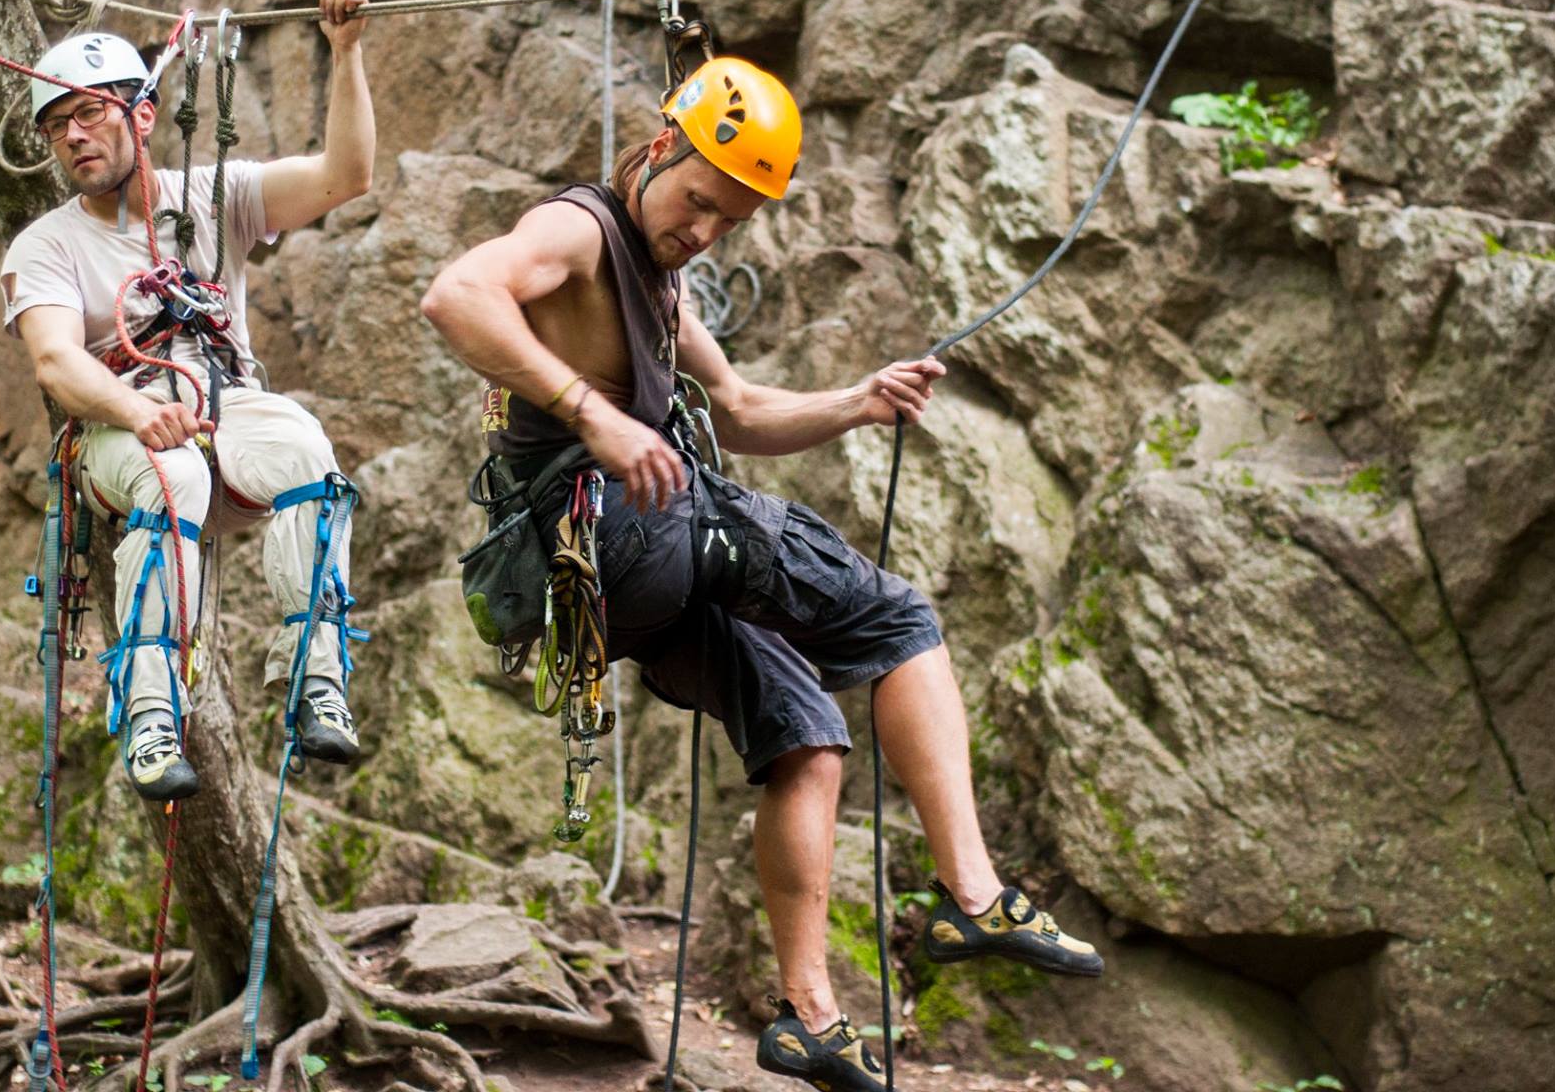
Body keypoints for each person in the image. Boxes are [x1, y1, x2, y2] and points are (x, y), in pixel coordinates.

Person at [420, 55, 1101, 1091]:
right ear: (657, 150)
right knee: (895, 618)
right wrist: (592, 410)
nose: (701, 230)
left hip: (625, 578)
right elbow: (454, 293)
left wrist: (856, 400)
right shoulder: (577, 229)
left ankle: (806, 1016)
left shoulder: (663, 280)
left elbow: (735, 408)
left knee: (807, 737)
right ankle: (971, 894)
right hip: (613, 531)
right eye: (697, 200)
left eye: (726, 221)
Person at [0, 0, 375, 801]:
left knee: (305, 445)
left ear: (141, 114)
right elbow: (58, 364)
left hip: (222, 401)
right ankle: (151, 717)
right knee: (177, 477)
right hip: (117, 431)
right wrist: (140, 412)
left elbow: (346, 175)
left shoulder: (214, 195)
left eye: (89, 115)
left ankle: (316, 680)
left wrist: (345, 54)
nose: (72, 137)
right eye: (57, 126)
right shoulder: (47, 247)